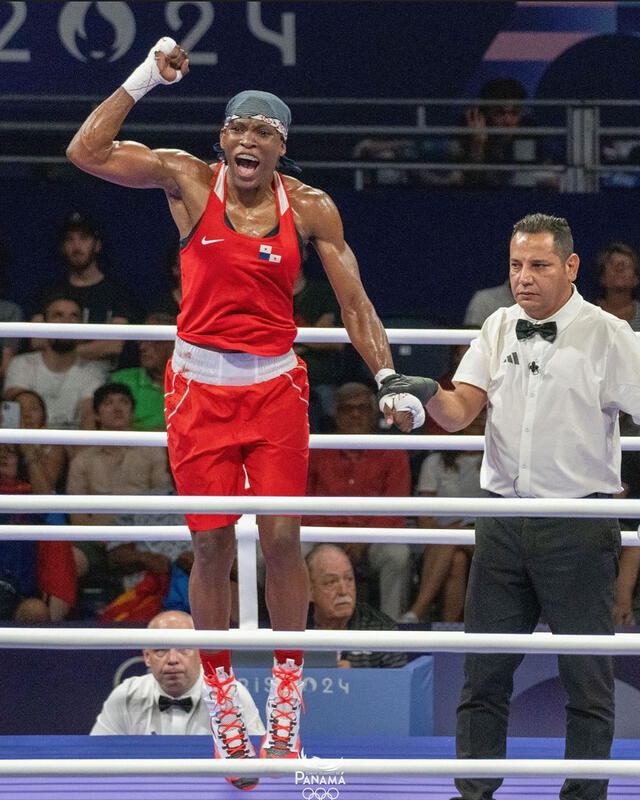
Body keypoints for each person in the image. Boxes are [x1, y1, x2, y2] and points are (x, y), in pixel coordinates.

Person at [65, 36, 426, 786]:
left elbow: (354, 302)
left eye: (264, 130)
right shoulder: (187, 180)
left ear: (282, 145)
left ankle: (286, 696)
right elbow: (86, 151)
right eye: (238, 128)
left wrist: (388, 374)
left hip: (275, 390)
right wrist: (145, 78)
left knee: (285, 535)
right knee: (210, 548)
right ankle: (225, 697)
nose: (249, 139)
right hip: (197, 388)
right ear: (222, 139)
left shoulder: (313, 208)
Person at [380, 213, 640, 800]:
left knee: (587, 682)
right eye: (517, 266)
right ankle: (473, 792)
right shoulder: (498, 324)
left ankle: (584, 797)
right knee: (484, 676)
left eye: (539, 266)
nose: (524, 278)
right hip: (499, 517)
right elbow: (460, 410)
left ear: (571, 267)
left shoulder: (608, 335)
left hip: (579, 523)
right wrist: (422, 395)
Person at [302, 382, 412, 620]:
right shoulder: (316, 449)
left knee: (397, 554)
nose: (355, 414)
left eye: (362, 408)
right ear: (335, 414)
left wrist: (363, 538)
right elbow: (305, 503)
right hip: (324, 534)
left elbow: (396, 508)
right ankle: (302, 626)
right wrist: (329, 538)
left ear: (373, 414)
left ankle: (389, 628)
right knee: (295, 549)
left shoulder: (393, 451)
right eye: (347, 409)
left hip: (373, 538)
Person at [66, 383, 171, 613]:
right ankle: (61, 625)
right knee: (71, 558)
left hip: (143, 537)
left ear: (132, 412)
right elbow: (77, 519)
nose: (117, 408)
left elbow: (164, 504)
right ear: (96, 414)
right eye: (108, 403)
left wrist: (134, 541)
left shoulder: (152, 451)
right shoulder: (82, 460)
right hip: (97, 540)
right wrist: (109, 536)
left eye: (123, 402)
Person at [91, 610, 264, 736]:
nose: (172, 659)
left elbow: (256, 761)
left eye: (184, 647)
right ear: (147, 657)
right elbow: (97, 756)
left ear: (201, 653)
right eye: (161, 649)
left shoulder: (231, 693)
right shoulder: (126, 695)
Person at [401, 410, 487, 624]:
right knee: (456, 560)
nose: (477, 419)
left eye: (483, 414)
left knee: (450, 539)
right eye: (473, 414)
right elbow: (425, 520)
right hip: (440, 541)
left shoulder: (499, 462)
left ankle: (418, 610)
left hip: (484, 536)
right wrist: (450, 532)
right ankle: (449, 628)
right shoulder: (434, 463)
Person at [33, 212, 138, 367]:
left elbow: (114, 345)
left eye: (83, 238)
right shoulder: (49, 291)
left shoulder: (118, 293)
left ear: (97, 245)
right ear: (62, 247)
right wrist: (92, 345)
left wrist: (63, 351)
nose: (76, 246)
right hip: (54, 373)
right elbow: (37, 340)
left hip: (103, 380)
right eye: (69, 239)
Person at [3, 293, 107, 429]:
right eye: (58, 315)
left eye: (74, 316)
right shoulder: (21, 365)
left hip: (73, 446)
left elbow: (89, 419)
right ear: (45, 324)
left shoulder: (94, 372)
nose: (66, 322)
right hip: (28, 445)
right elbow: (12, 417)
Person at [0, 442, 77, 623]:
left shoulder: (30, 498)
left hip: (17, 593)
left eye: (9, 452)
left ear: (20, 462)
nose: (2, 456)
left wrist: (30, 456)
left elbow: (48, 504)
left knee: (35, 610)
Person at [306, 544, 408, 668]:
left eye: (349, 579)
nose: (343, 591)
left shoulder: (381, 629)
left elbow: (398, 682)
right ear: (309, 591)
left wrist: (357, 677)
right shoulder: (290, 627)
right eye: (331, 582)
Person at [451, 77, 559, 190]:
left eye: (515, 113)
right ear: (485, 112)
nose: (508, 120)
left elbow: (548, 174)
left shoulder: (528, 128)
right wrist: (477, 144)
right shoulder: (468, 128)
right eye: (499, 113)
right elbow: (472, 179)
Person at [110, 312, 175, 430]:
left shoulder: (191, 382)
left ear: (172, 342)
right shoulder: (122, 381)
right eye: (141, 341)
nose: (142, 347)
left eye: (151, 340)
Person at [593, 240, 640, 331]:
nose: (620, 268)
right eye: (613, 264)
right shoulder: (586, 314)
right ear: (602, 277)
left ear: (636, 279)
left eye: (626, 265)